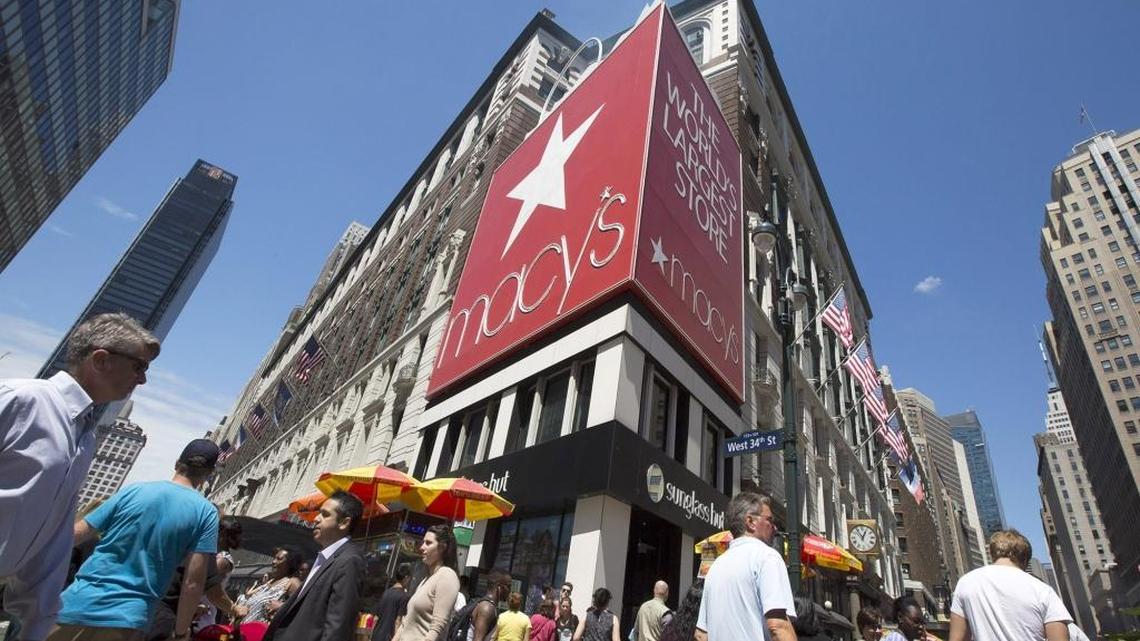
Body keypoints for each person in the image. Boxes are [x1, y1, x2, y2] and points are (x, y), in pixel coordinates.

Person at [1, 313, 160, 641]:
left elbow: (53, 538)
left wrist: (36, 622)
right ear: (101, 360)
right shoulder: (22, 399)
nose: (143, 379)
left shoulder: (85, 437)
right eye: (138, 366)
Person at [48, 439, 220, 641]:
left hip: (74, 603)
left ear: (177, 463)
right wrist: (181, 632)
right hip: (128, 619)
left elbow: (74, 535)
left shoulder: (133, 491)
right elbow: (193, 583)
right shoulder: (206, 513)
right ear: (209, 474)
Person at [263, 491, 366, 641]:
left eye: (325, 514)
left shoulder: (350, 561)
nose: (316, 519)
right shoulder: (326, 557)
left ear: (344, 523)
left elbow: (337, 628)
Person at [696, 492, 796, 641]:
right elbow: (778, 626)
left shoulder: (715, 567)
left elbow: (701, 634)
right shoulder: (767, 557)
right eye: (769, 520)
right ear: (750, 522)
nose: (774, 527)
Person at [949, 529, 1072, 641]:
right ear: (1025, 560)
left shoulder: (967, 582)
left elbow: (957, 638)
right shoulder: (1043, 590)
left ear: (992, 554)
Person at [148, 514, 248, 641]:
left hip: (202, 615)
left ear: (221, 534)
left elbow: (206, 585)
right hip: (186, 608)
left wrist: (233, 609)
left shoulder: (223, 559)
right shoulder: (205, 552)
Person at [393, 525, 459, 641]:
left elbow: (437, 626)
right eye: (423, 542)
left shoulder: (447, 576)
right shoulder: (426, 579)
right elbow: (405, 623)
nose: (422, 547)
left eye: (428, 543)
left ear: (442, 547)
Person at [237, 546, 304, 624]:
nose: (274, 561)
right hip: (243, 631)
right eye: (274, 558)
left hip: (262, 634)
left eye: (279, 559)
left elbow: (301, 608)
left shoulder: (292, 582)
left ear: (290, 563)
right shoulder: (270, 581)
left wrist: (282, 606)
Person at [371, 564, 412, 641]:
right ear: (406, 578)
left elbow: (376, 618)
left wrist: (371, 636)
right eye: (409, 578)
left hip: (376, 636)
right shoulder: (404, 597)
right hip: (389, 637)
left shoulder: (386, 592)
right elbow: (398, 621)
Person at [469, 570, 510, 641]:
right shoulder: (487, 608)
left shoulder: (490, 607)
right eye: (508, 586)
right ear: (499, 587)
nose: (510, 590)